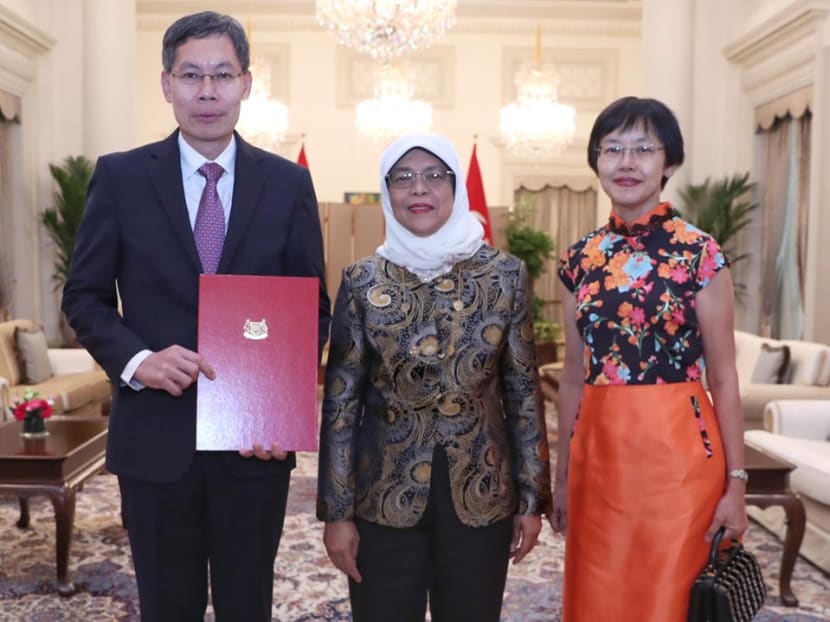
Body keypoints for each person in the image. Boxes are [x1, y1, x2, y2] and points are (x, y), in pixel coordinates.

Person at [61, 11, 330, 622]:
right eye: (191, 76)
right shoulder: (122, 177)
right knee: (166, 606)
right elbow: (84, 297)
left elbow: (312, 309)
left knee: (247, 606)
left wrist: (279, 409)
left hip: (253, 444)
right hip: (155, 440)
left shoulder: (288, 185)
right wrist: (139, 361)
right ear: (166, 84)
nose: (207, 92)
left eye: (221, 75)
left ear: (246, 83)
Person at [316, 132, 552, 622]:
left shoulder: (504, 275)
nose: (418, 189)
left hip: (481, 491)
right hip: (382, 493)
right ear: (387, 192)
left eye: (433, 176)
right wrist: (337, 513)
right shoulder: (362, 281)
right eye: (403, 178)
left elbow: (524, 395)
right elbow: (341, 403)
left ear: (455, 187)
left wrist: (531, 500)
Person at [550, 96, 748, 621]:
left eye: (643, 148)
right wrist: (561, 474)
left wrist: (737, 484)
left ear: (670, 163)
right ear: (596, 162)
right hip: (599, 455)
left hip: (679, 459)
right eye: (612, 148)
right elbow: (573, 374)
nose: (626, 162)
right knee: (598, 596)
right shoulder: (579, 258)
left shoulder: (700, 252)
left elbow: (724, 379)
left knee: (667, 595)